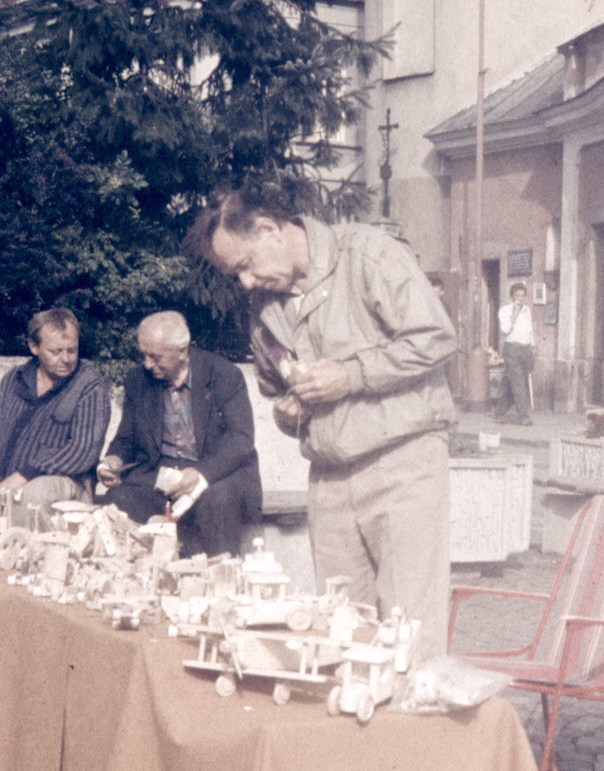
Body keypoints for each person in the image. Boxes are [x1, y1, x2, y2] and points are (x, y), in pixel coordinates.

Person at [189, 189, 457, 656]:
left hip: (402, 464)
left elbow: (435, 338)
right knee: (340, 629)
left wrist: (350, 375)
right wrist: (289, 408)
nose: (247, 283)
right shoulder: (265, 305)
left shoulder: (368, 253)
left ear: (270, 229)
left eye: (246, 266)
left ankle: (413, 729)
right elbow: (277, 385)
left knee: (408, 631)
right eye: (237, 276)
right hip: (330, 478)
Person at [98, 311, 262, 558]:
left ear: (182, 351)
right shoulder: (138, 380)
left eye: (155, 357)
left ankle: (220, 582)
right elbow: (126, 438)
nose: (147, 364)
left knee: (217, 502)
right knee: (118, 499)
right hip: (162, 476)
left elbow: (241, 439)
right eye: (143, 354)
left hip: (215, 474)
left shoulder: (224, 375)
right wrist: (112, 462)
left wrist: (201, 474)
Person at [0, 307, 111, 518]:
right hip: (8, 479)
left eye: (71, 350)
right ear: (34, 347)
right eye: (56, 351)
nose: (66, 359)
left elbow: (82, 452)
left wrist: (24, 475)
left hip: (65, 485)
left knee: (30, 495)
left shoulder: (90, 386)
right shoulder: (14, 379)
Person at [495, 281, 534, 425]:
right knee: (518, 384)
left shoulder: (527, 310)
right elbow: (505, 329)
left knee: (518, 383)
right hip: (512, 349)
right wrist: (515, 312)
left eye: (522, 296)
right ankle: (523, 417)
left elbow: (530, 330)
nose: (520, 298)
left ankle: (499, 411)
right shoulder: (505, 310)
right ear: (512, 296)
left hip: (526, 350)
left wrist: (533, 345)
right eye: (517, 295)